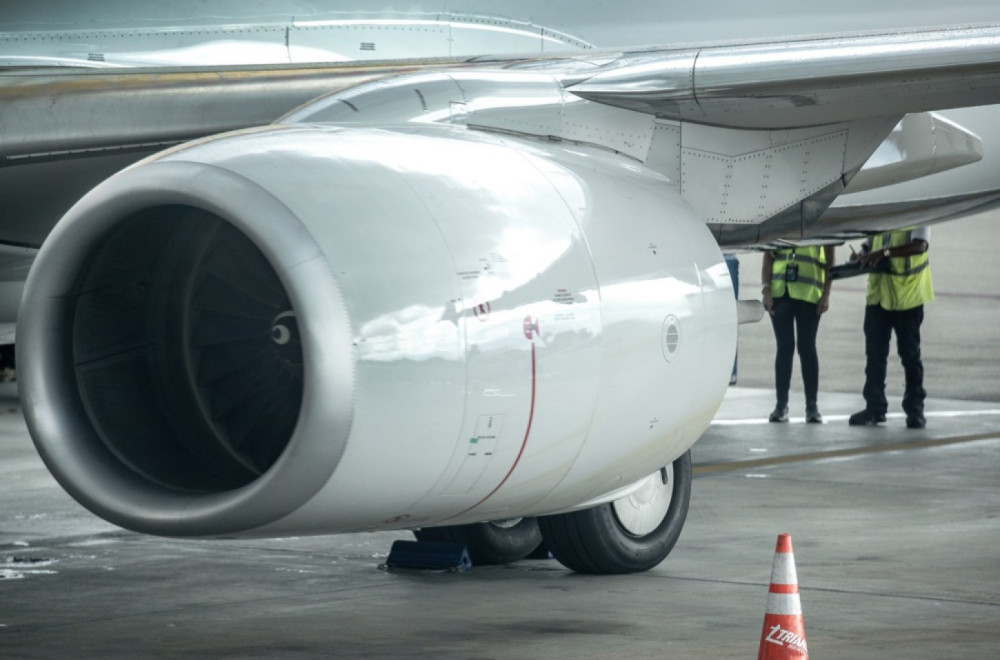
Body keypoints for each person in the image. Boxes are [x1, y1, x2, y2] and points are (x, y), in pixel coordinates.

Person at [848, 228, 933, 428]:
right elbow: (870, 244)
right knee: (874, 355)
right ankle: (874, 408)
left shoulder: (917, 210)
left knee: (910, 355)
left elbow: (920, 245)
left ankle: (915, 409)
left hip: (907, 296)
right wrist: (861, 255)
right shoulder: (882, 213)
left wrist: (883, 253)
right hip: (878, 296)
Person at [761, 245, 834, 423]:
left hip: (809, 295)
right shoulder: (781, 222)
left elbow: (830, 262)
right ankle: (781, 405)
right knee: (784, 348)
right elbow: (768, 256)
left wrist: (826, 294)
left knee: (807, 348)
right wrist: (766, 290)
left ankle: (812, 406)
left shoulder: (819, 224)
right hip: (780, 292)